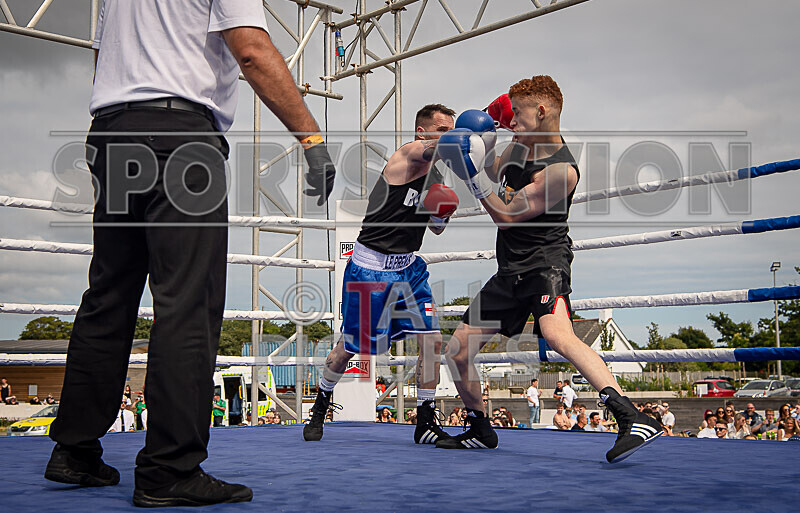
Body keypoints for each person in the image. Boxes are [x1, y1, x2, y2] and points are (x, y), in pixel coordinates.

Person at [45, 0, 337, 507]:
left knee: (108, 296)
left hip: (113, 130)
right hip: (180, 137)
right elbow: (251, 50)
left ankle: (74, 451)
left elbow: (104, 60)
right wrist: (310, 137)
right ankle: (169, 469)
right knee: (188, 304)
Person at [433, 77, 663, 462]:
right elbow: (489, 166)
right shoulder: (518, 147)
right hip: (510, 270)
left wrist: (472, 178)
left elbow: (506, 214)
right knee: (457, 350)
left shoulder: (562, 171)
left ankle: (632, 416)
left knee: (559, 336)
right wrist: (481, 140)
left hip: (545, 265)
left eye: (518, 114)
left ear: (541, 112)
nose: (512, 122)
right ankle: (478, 427)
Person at [303, 104, 458, 446]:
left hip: (409, 270)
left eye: (453, 129)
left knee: (432, 341)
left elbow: (435, 229)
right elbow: (441, 149)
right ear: (422, 132)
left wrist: (444, 212)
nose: (450, 135)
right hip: (370, 270)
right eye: (444, 129)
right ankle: (320, 404)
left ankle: (426, 418)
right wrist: (477, 132)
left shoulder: (437, 175)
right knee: (349, 348)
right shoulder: (408, 155)